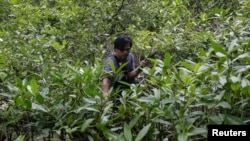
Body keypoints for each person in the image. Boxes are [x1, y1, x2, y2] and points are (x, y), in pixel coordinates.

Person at [102, 34, 148, 99]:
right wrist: (105, 99)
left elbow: (129, 75)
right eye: (122, 50)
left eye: (127, 49)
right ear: (115, 49)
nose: (125, 52)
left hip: (127, 86)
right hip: (115, 90)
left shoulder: (130, 57)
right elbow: (106, 81)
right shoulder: (111, 61)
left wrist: (140, 67)